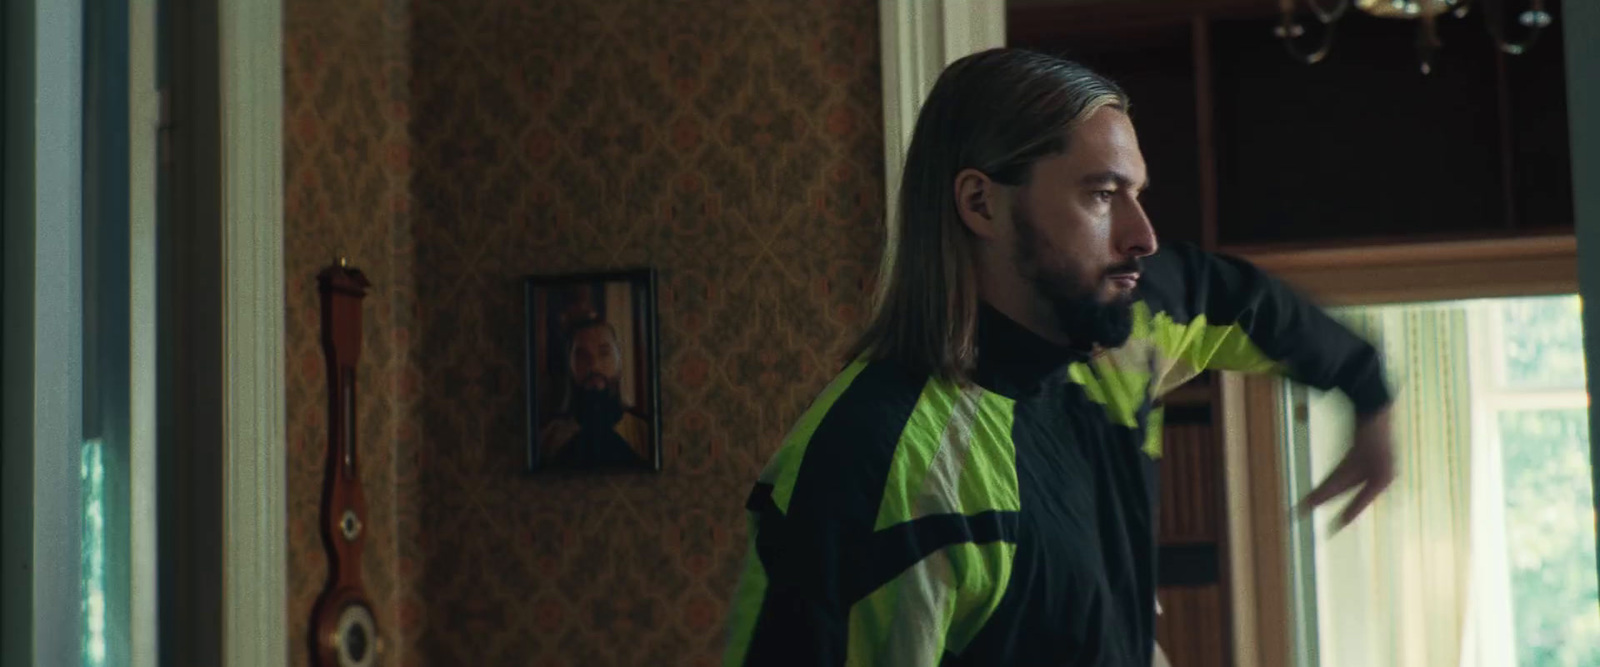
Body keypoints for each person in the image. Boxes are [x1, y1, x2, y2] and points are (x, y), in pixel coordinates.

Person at [720, 49, 1397, 666]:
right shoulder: (870, 458)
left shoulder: (1119, 325)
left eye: (1137, 193)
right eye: (1102, 195)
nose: (1143, 235)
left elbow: (1237, 298)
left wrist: (1369, 394)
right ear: (981, 203)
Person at [540, 317, 651, 468]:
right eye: (582, 356)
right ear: (570, 364)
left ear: (619, 360)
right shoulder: (549, 438)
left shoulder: (643, 433)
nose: (594, 366)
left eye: (604, 353)